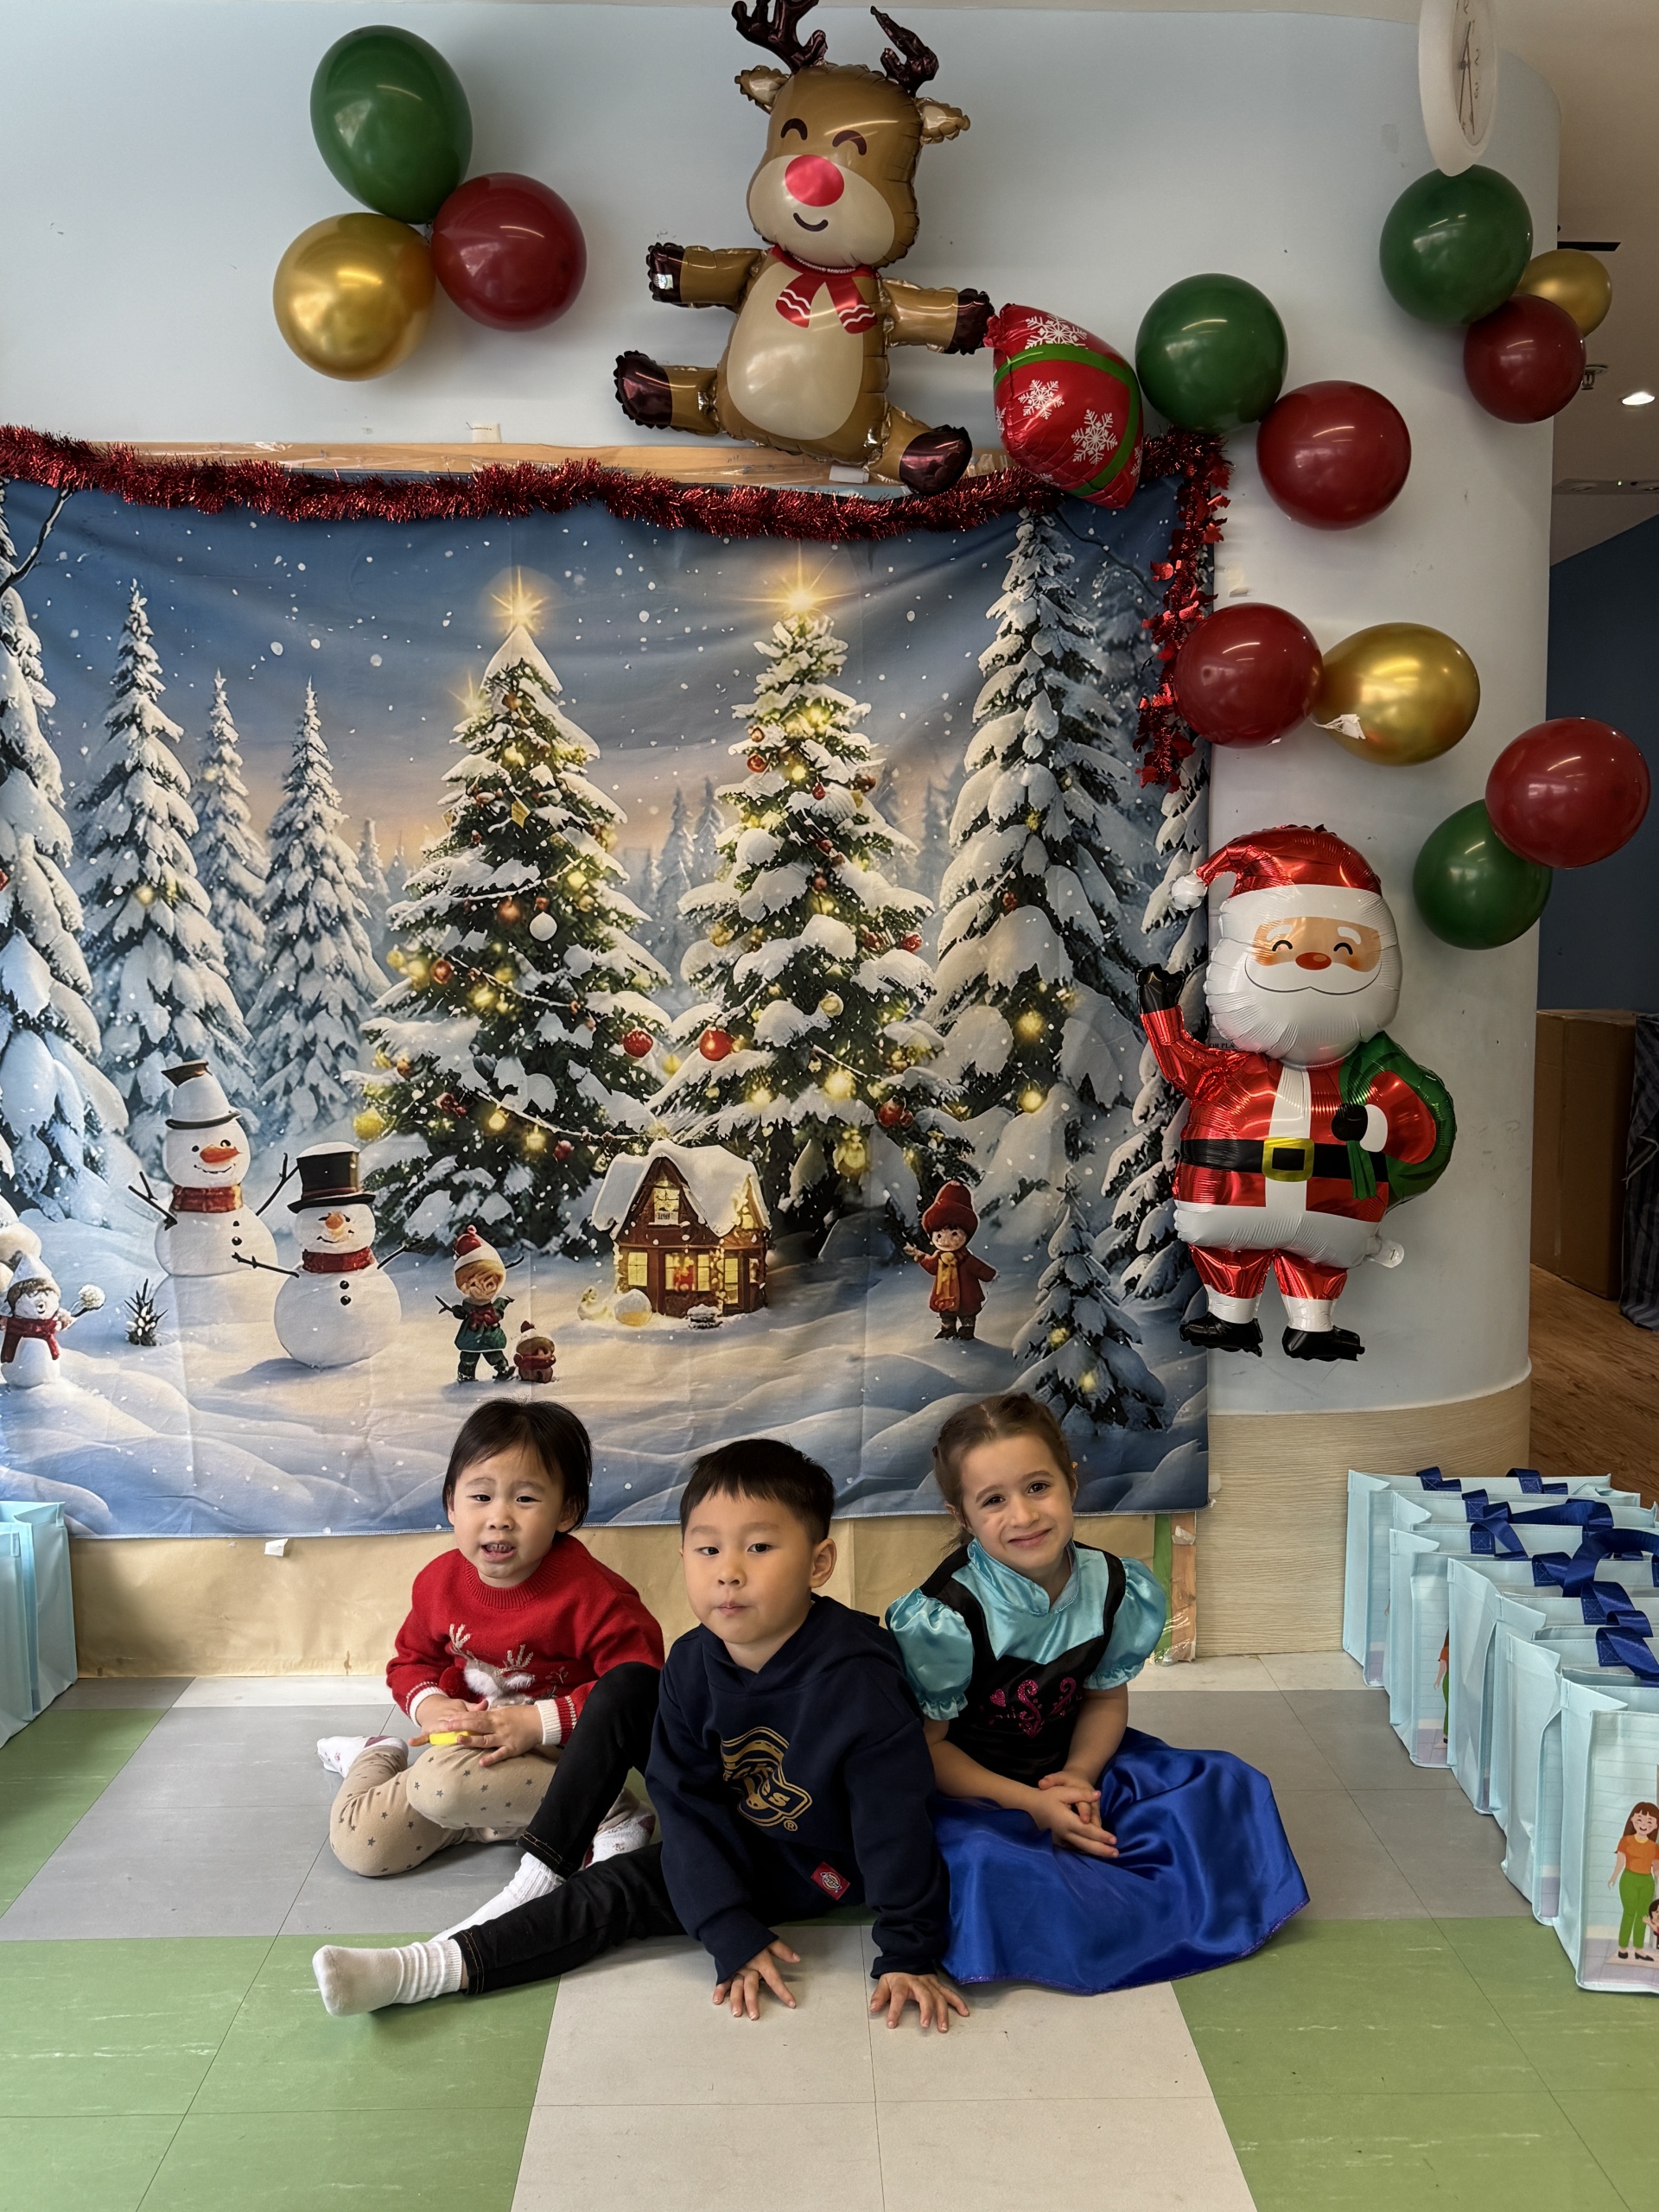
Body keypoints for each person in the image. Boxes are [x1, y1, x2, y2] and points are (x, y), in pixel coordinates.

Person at [313, 1437, 965, 2031]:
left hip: (811, 1863)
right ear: (683, 1557)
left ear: (819, 1562)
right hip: (724, 1835)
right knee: (627, 1717)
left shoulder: (860, 1678)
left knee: (616, 1891)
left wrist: (908, 1952)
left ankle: (434, 1967)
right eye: (708, 1549)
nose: (729, 1572)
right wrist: (722, 1921)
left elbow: (894, 1822)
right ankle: (452, 1942)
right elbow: (687, 1803)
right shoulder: (692, 1661)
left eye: (759, 1548)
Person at [886, 1394, 1308, 1992]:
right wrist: (1033, 1805)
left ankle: (1133, 1904)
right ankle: (1094, 1916)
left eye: (1038, 1487)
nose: (1023, 1515)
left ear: (1072, 1482)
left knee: (1225, 1784)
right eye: (994, 1500)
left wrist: (1080, 1777)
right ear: (962, 1515)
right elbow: (928, 1750)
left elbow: (1105, 1699)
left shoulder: (1113, 1584)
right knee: (980, 1860)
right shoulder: (944, 1616)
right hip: (975, 1790)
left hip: (1075, 1760)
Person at [318, 1399, 664, 1935]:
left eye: (525, 1499)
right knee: (363, 1845)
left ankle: (613, 1812)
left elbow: (642, 1688)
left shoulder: (594, 1595)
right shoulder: (439, 1582)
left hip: (559, 1766)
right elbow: (411, 1662)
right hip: (467, 1756)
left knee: (441, 1786)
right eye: (480, 1496)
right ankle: (377, 1754)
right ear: (451, 1505)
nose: (499, 1516)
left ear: (566, 1511)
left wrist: (537, 1721)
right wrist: (431, 1705)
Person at [1608, 1801, 1659, 1960]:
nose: (1644, 1825)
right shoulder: (1626, 1841)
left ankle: (1639, 1949)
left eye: (1649, 1822)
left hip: (1647, 1882)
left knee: (1643, 1914)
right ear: (1632, 1820)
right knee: (1629, 1912)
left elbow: (1656, 1869)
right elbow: (1620, 1862)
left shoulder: (1654, 1847)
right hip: (1629, 1879)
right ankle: (1623, 1947)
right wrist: (1614, 1877)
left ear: (1655, 1826)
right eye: (1640, 1820)